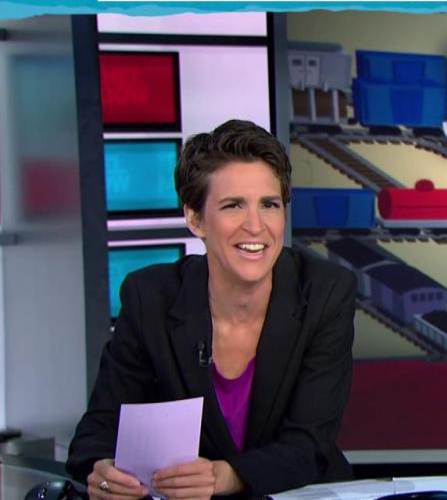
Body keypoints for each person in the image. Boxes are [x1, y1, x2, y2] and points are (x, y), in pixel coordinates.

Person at [67, 120, 356, 499]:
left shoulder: (324, 292)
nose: (256, 226)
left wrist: (226, 476)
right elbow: (98, 431)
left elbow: (310, 444)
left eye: (269, 205)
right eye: (233, 205)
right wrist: (104, 472)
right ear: (195, 218)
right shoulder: (150, 297)